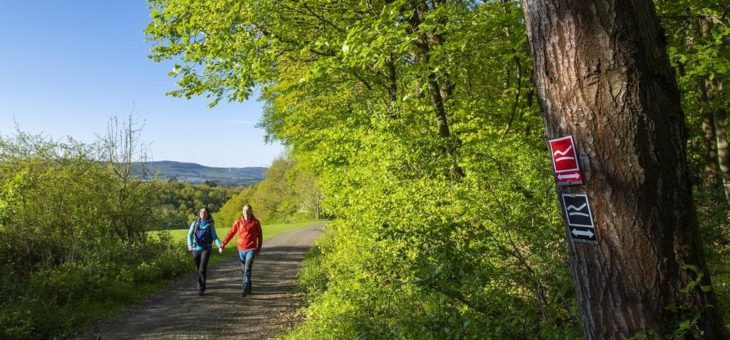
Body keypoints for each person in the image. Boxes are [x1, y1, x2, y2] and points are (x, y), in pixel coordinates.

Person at [221, 204, 263, 297]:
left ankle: (244, 288)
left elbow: (260, 236)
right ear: (242, 211)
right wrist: (223, 244)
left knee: (247, 269)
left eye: (248, 210)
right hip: (241, 249)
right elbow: (231, 233)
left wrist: (258, 248)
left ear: (251, 211)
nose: (246, 212)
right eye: (244, 210)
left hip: (251, 249)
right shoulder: (238, 222)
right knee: (244, 270)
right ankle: (249, 286)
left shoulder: (256, 222)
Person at [187, 207, 223, 296]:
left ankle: (200, 288)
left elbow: (214, 237)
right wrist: (190, 245)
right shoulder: (194, 223)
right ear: (199, 213)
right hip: (195, 249)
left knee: (202, 268)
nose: (203, 213)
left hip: (206, 249)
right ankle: (202, 283)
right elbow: (189, 235)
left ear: (207, 214)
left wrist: (219, 246)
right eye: (201, 212)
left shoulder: (210, 225)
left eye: (205, 212)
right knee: (199, 268)